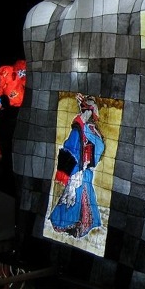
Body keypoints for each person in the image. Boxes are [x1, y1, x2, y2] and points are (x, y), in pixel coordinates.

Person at [49, 93, 105, 238]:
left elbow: (97, 147)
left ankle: (78, 224)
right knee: (73, 194)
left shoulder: (87, 128)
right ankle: (71, 223)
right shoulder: (83, 128)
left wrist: (86, 162)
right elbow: (72, 146)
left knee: (79, 194)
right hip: (78, 167)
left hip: (81, 168)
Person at [0, 94, 19, 189]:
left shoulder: (2, 112)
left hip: (6, 138)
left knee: (7, 156)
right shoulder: (12, 111)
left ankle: (7, 175)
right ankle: (8, 174)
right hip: (7, 138)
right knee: (8, 156)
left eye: (2, 101)